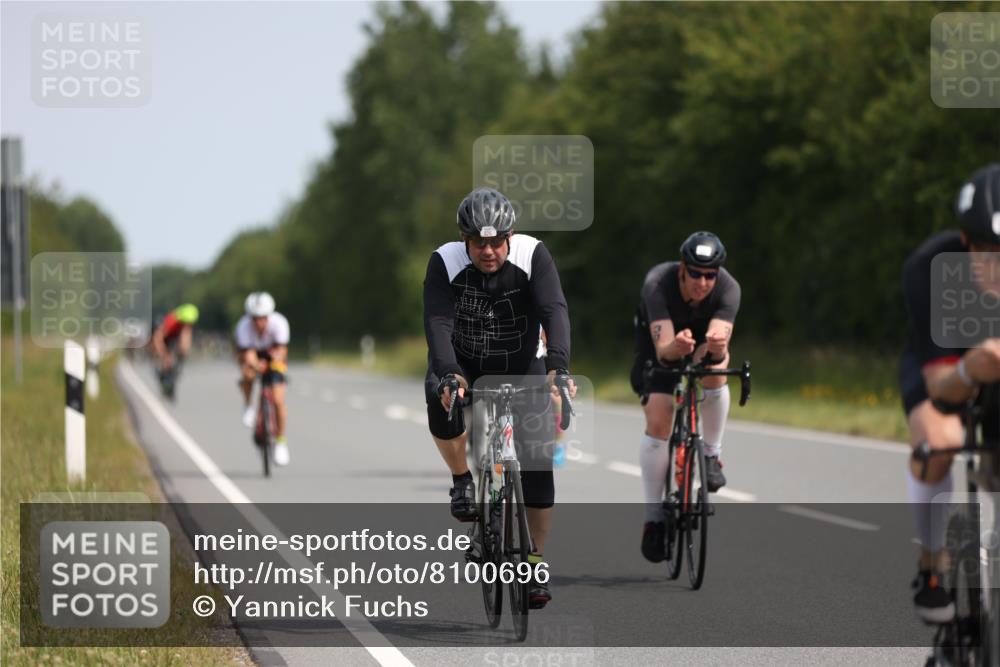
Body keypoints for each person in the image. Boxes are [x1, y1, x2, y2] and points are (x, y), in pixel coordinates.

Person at [423, 186, 575, 609]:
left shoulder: (533, 255)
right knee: (441, 397)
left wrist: (558, 367)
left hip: (522, 361)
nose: (488, 251)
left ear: (510, 236)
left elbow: (554, 310)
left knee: (538, 463)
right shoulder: (445, 261)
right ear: (464, 240)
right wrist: (450, 373)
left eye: (495, 242)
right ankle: (461, 480)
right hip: (464, 362)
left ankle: (535, 560)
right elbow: (437, 322)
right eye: (478, 243)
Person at [900, 162, 1000, 624]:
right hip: (944, 365)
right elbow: (942, 387)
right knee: (938, 444)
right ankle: (933, 563)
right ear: (965, 243)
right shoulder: (930, 268)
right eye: (987, 252)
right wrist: (970, 368)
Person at [630, 231, 741, 563]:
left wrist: (716, 349)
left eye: (710, 275)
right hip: (661, 342)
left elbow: (719, 345)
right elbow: (664, 351)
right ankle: (653, 518)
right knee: (660, 417)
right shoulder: (657, 284)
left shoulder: (729, 288)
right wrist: (676, 347)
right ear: (682, 268)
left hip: (701, 340)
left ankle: (711, 455)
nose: (703, 282)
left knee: (717, 370)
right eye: (695, 273)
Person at [235, 292, 291, 466]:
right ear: (250, 317)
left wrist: (274, 360)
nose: (259, 322)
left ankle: (281, 442)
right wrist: (255, 365)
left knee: (279, 400)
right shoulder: (243, 327)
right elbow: (247, 354)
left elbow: (282, 350)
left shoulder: (280, 323)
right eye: (255, 318)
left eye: (263, 318)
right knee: (247, 374)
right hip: (252, 354)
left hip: (274, 354)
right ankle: (248, 405)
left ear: (269, 316)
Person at [151, 303, 199, 398]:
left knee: (179, 355)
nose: (187, 325)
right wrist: (164, 355)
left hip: (174, 336)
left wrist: (184, 350)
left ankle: (172, 379)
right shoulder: (171, 321)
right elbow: (158, 339)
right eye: (185, 322)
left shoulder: (187, 323)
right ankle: (163, 374)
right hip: (165, 337)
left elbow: (186, 336)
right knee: (166, 360)